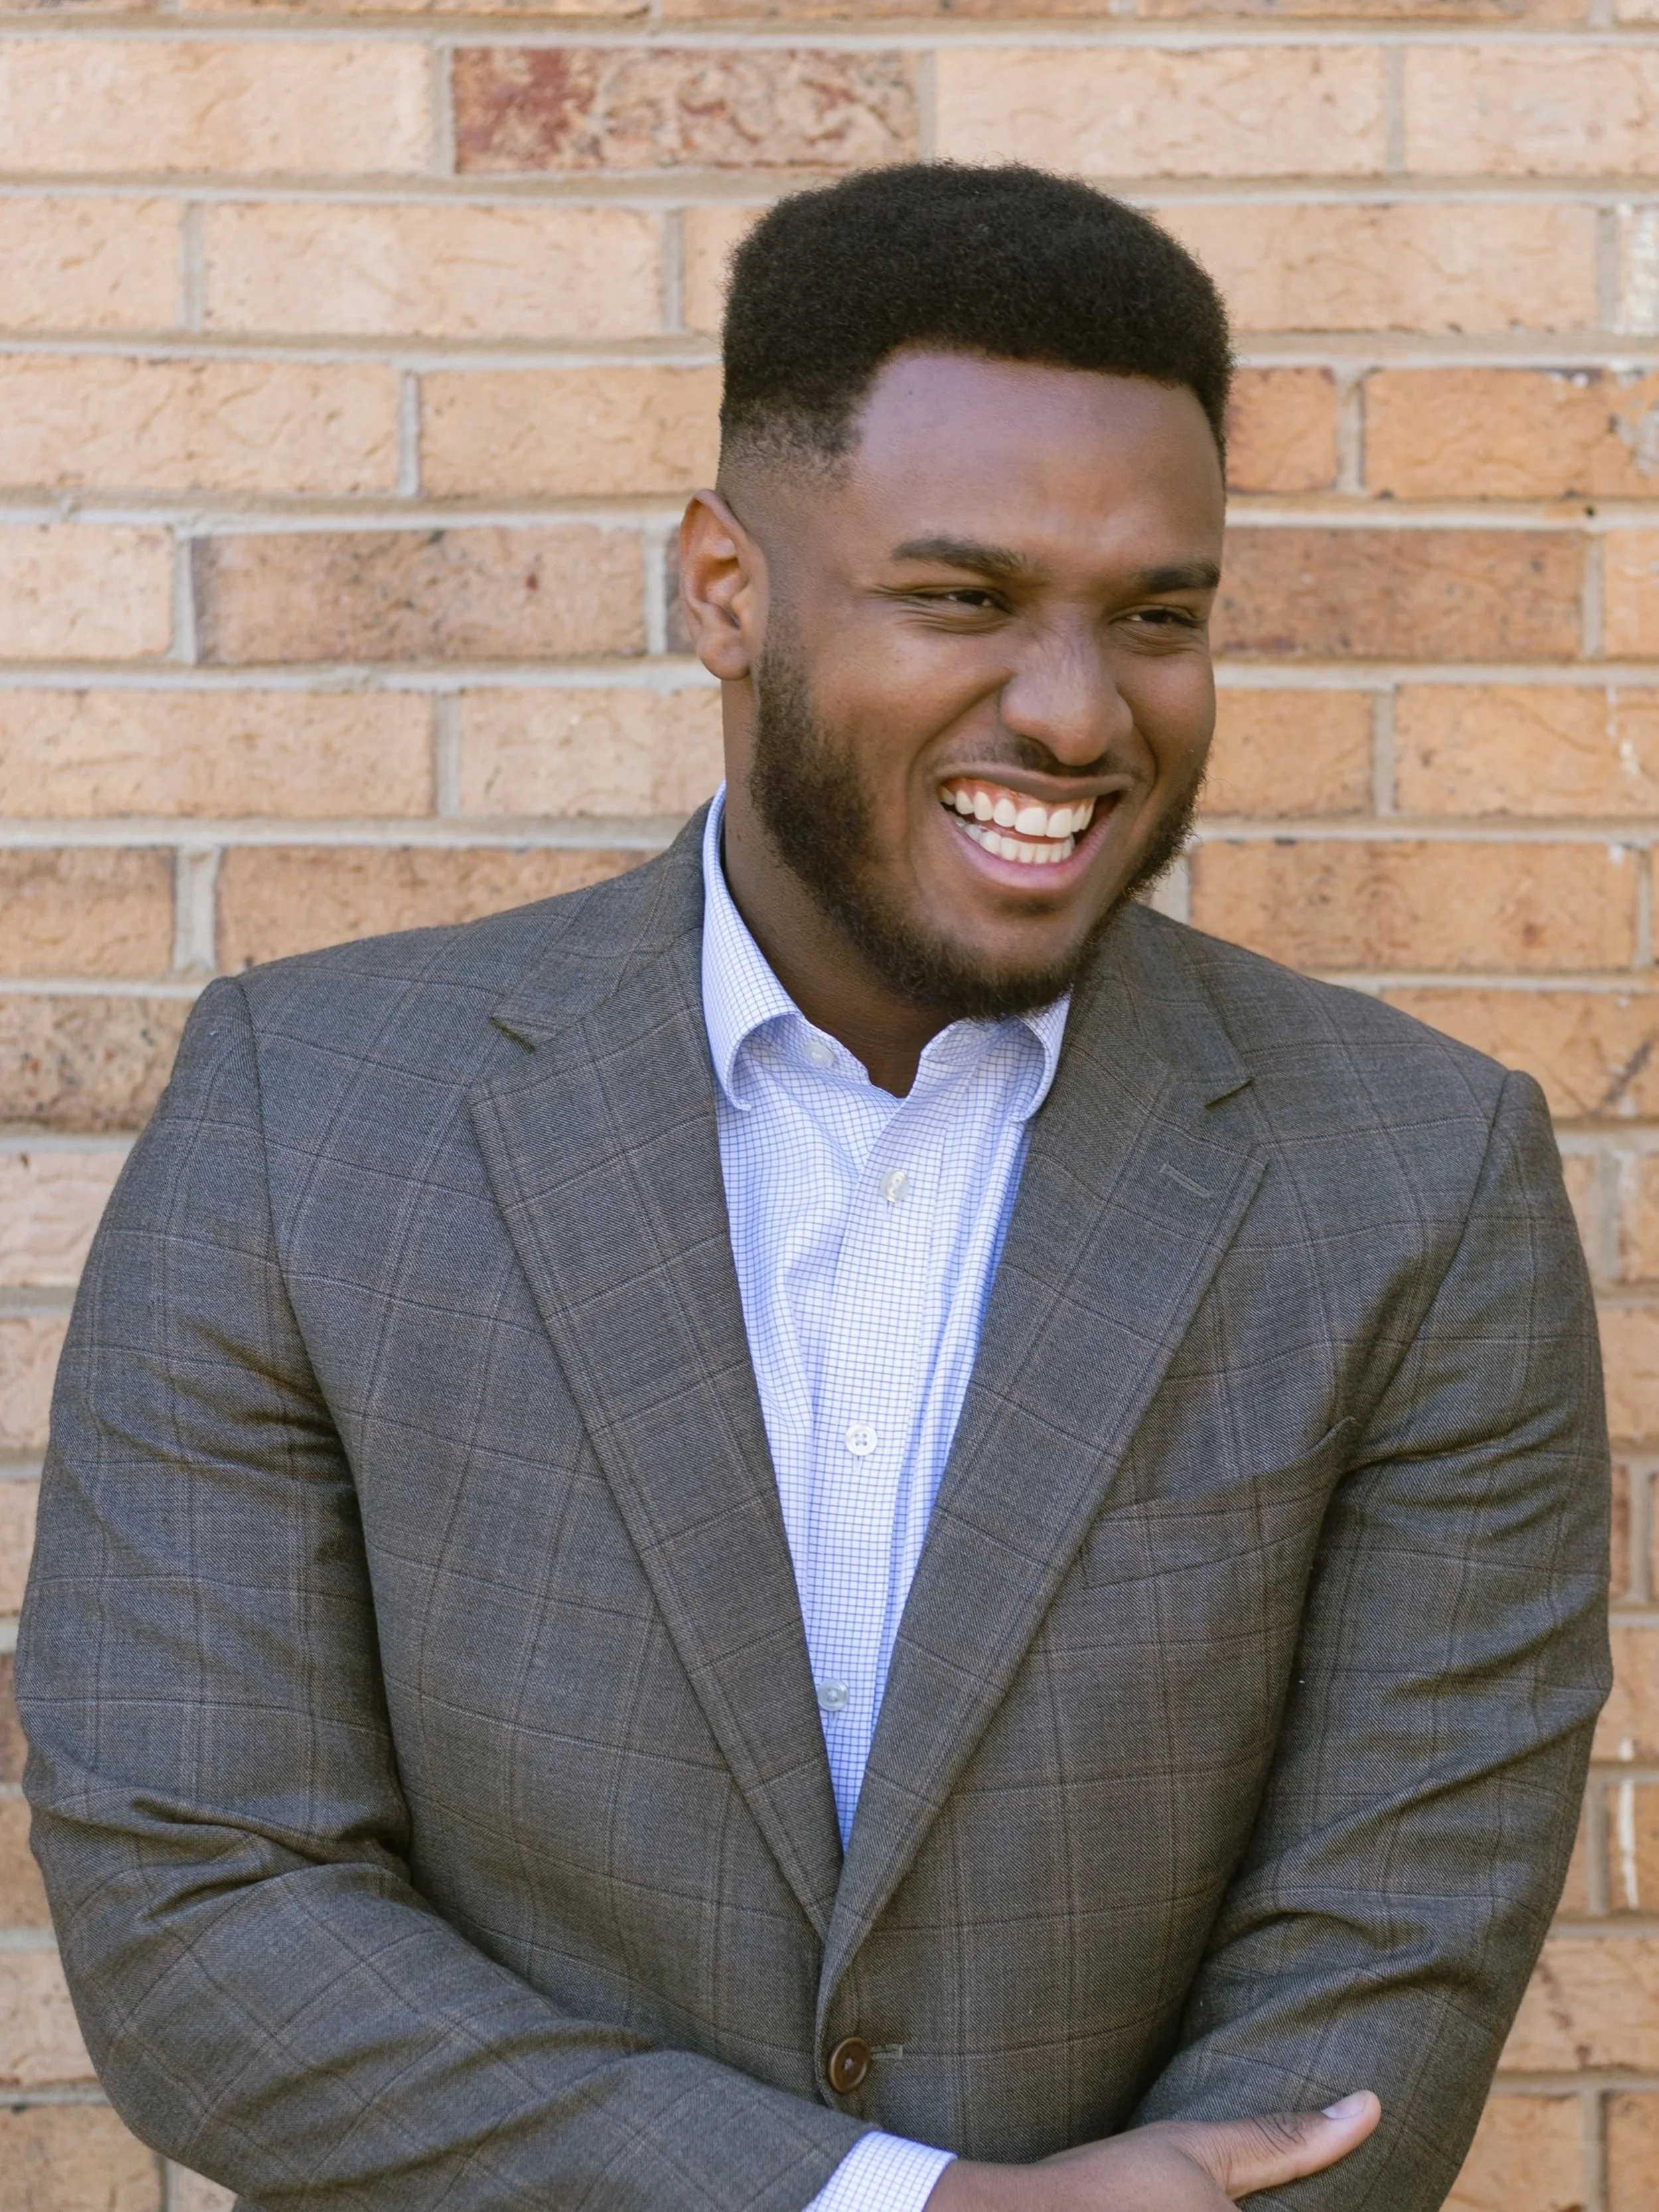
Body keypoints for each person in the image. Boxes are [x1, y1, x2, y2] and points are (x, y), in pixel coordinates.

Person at [19, 164, 1609, 2212]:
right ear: (723, 588)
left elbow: (1392, 1931)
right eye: (961, 596)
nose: (1071, 707)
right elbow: (197, 1910)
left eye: (1156, 616)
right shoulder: (306, 1116)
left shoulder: (1413, 1176)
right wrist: (892, 2206)